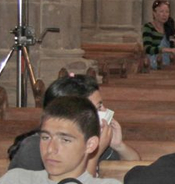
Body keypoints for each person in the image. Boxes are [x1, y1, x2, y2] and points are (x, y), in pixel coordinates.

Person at [8, 73, 140, 175]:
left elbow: (136, 170)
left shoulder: (94, 138)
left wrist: (119, 145)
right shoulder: (36, 148)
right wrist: (95, 153)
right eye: (98, 107)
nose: (105, 111)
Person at [142, 0, 175, 69]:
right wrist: (164, 49)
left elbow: (172, 48)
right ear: (154, 13)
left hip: (167, 65)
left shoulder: (169, 27)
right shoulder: (148, 27)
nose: (164, 15)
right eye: (161, 11)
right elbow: (147, 48)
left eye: (167, 12)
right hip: (152, 65)